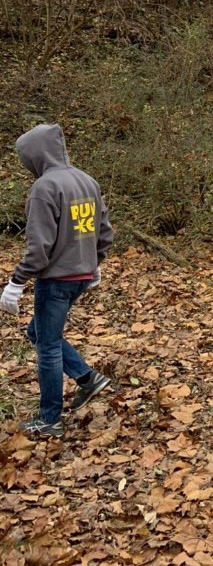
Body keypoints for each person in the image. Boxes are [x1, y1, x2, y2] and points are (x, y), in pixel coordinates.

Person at [0, 124, 113, 438]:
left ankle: (50, 419)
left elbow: (39, 249)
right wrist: (95, 264)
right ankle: (87, 378)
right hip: (79, 277)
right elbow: (104, 234)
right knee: (38, 332)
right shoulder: (86, 180)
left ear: (36, 155)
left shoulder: (44, 188)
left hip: (55, 280)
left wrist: (16, 282)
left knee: (47, 345)